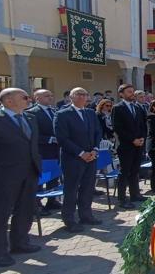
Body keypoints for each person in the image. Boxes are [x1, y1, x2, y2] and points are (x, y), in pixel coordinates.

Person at [0, 88, 41, 267]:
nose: (28, 99)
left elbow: (32, 145)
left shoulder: (30, 118)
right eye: (24, 97)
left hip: (29, 173)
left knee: (25, 210)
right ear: (8, 101)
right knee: (1, 215)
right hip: (4, 177)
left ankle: (20, 242)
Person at [54, 87, 102, 233]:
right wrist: (81, 153)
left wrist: (94, 149)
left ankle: (86, 215)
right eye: (79, 94)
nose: (83, 97)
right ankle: (69, 220)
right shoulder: (62, 114)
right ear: (71, 97)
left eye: (85, 94)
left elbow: (97, 132)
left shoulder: (90, 113)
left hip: (91, 157)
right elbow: (62, 138)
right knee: (71, 190)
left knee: (87, 188)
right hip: (73, 158)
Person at [111, 84, 146, 209]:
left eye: (132, 91)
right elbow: (118, 128)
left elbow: (142, 125)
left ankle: (135, 194)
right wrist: (132, 140)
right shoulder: (118, 108)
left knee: (135, 170)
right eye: (129, 92)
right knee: (124, 172)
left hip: (139, 144)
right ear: (121, 94)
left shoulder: (137, 107)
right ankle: (122, 199)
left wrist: (142, 138)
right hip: (126, 145)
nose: (132, 94)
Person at [27, 89, 61, 213]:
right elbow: (31, 134)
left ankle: (52, 201)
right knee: (40, 179)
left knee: (54, 177)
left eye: (51, 95)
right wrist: (50, 139)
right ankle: (37, 205)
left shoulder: (54, 111)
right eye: (47, 96)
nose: (50, 98)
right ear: (37, 98)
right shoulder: (32, 113)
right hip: (42, 151)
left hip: (55, 151)